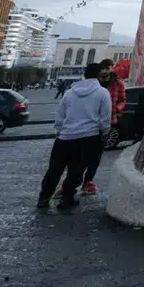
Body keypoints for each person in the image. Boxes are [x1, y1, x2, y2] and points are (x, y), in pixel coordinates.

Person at [37, 62, 110, 211]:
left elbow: (60, 114)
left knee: (54, 169)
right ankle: (67, 199)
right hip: (88, 137)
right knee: (76, 170)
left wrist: (60, 129)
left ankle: (44, 197)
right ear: (98, 75)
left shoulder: (70, 92)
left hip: (65, 137)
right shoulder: (102, 93)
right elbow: (105, 117)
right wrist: (104, 132)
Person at [79, 59, 126, 195]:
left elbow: (123, 100)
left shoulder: (118, 84)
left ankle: (88, 181)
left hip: (108, 122)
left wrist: (116, 109)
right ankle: (73, 182)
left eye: (109, 68)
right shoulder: (94, 82)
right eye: (104, 68)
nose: (106, 70)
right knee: (82, 156)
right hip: (89, 122)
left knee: (96, 156)